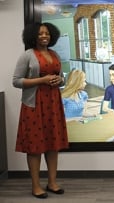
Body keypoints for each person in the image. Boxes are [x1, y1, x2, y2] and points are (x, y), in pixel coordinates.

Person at [12, 22, 68, 199]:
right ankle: (35, 186)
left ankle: (52, 183)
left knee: (53, 146)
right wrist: (41, 80)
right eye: (40, 34)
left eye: (47, 33)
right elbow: (16, 81)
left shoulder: (54, 54)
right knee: (35, 148)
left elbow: (61, 78)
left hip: (53, 105)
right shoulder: (27, 55)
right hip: (34, 105)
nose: (44, 36)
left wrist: (60, 81)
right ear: (33, 36)